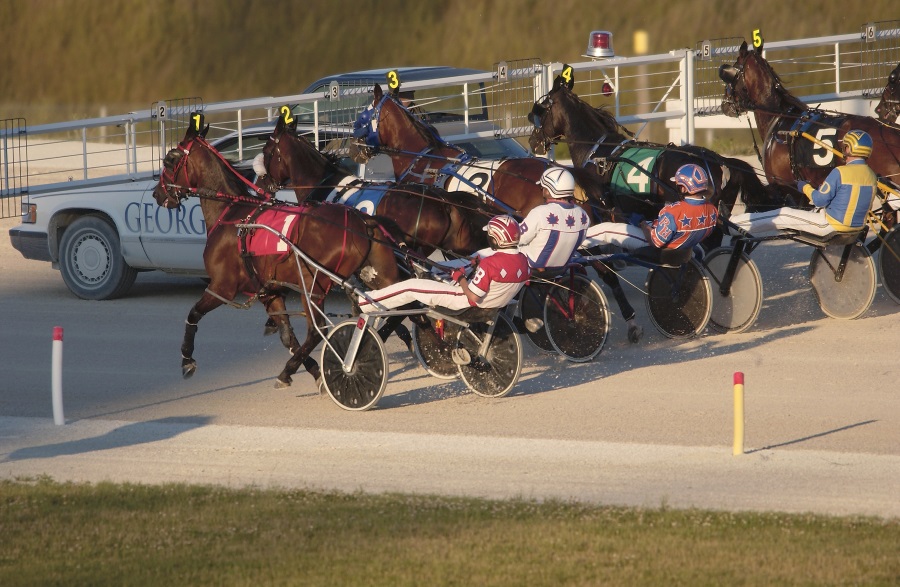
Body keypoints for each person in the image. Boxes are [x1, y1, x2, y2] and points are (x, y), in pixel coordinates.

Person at [358, 215, 531, 314]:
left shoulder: (490, 264)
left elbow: (474, 297)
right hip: (497, 302)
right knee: (435, 270)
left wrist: (461, 278)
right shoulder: (524, 260)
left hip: (464, 301)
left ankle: (366, 303)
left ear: (496, 238)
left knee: (410, 287)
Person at [728, 130, 878, 238]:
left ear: (849, 149)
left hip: (830, 225)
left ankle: (734, 224)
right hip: (855, 228)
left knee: (784, 214)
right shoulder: (871, 176)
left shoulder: (840, 172)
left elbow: (819, 200)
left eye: (845, 147)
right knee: (800, 212)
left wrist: (804, 187)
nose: (843, 150)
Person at [582, 163, 719, 253]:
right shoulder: (712, 210)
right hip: (683, 244)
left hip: (657, 246)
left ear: (684, 187)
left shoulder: (673, 211)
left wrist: (642, 224)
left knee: (606, 229)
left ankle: (573, 242)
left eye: (678, 184)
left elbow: (656, 241)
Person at [518, 167, 592, 270]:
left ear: (549, 191)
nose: (542, 190)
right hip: (562, 267)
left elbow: (519, 237)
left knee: (491, 253)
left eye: (543, 188)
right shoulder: (583, 215)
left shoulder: (540, 212)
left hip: (534, 265)